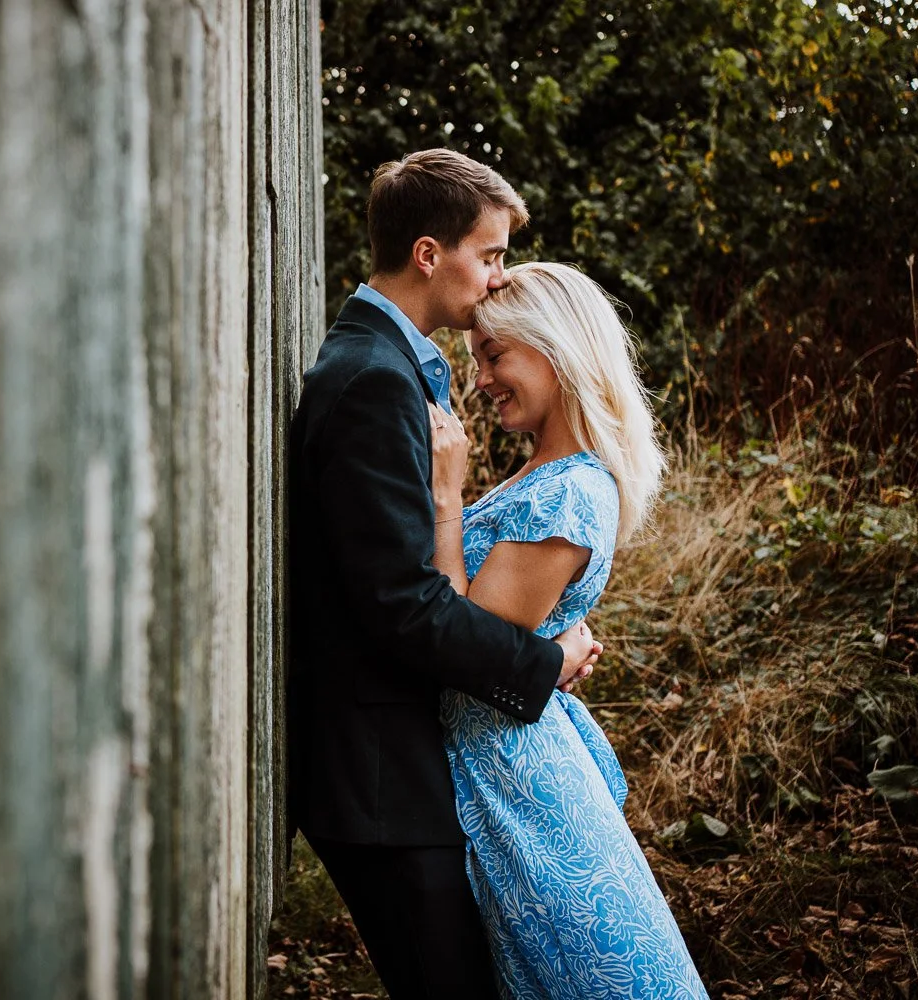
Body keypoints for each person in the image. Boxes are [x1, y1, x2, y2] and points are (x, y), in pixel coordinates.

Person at [286, 148, 601, 999]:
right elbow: (402, 605)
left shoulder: (381, 367)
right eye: (489, 254)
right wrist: (545, 662)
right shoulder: (371, 382)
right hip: (377, 776)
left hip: (393, 769)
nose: (497, 278)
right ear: (430, 254)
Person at [429, 261, 709, 998]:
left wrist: (447, 498)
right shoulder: (548, 476)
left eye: (494, 356)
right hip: (506, 762)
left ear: (554, 349)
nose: (482, 378)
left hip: (523, 786)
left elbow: (462, 640)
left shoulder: (571, 488)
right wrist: (553, 648)